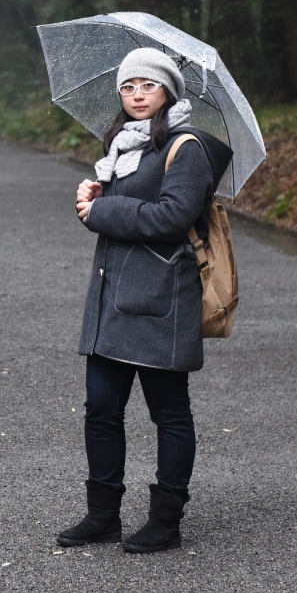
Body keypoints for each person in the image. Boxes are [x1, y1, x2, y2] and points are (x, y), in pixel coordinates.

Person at [58, 46, 232, 554]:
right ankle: (102, 514)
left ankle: (166, 521)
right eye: (128, 87)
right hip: (113, 298)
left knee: (170, 413)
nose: (137, 95)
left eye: (148, 85)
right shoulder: (122, 146)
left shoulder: (188, 147)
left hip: (161, 301)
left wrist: (101, 212)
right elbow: (124, 209)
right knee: (102, 410)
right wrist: (92, 197)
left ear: (169, 92)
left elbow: (170, 218)